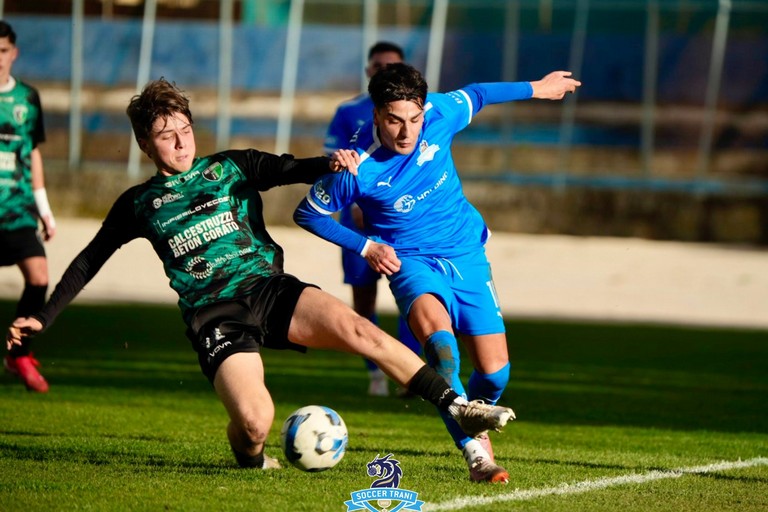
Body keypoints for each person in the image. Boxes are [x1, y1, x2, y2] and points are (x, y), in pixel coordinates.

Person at [6, 78, 516, 471]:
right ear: (145, 142)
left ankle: (457, 405)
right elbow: (88, 260)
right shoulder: (138, 204)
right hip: (215, 314)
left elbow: (292, 168)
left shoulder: (231, 167)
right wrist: (43, 319)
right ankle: (252, 460)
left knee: (366, 332)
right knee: (254, 424)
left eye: (185, 130)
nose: (181, 143)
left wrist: (335, 162)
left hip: (271, 290)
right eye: (166, 136)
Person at [295, 63, 581, 482]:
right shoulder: (358, 165)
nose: (407, 132)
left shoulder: (440, 113)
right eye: (394, 121)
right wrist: (367, 246)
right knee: (443, 349)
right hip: (410, 262)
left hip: (466, 252)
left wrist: (538, 88)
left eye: (414, 119)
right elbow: (308, 213)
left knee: (496, 372)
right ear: (376, 115)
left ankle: (473, 419)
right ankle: (476, 455)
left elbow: (479, 91)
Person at [324, 41, 420, 397]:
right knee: (363, 303)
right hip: (357, 226)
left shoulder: (414, 112)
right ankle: (377, 372)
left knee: (412, 298)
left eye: (390, 66)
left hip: (398, 225)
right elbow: (334, 163)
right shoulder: (348, 111)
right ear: (368, 71)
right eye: (377, 66)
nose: (383, 71)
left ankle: (410, 374)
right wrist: (356, 202)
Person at [0, 20, 56, 393]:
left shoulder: (27, 99)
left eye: (2, 51)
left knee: (38, 276)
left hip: (17, 211)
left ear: (14, 53)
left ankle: (19, 354)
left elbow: (32, 152)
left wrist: (45, 209)